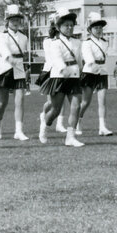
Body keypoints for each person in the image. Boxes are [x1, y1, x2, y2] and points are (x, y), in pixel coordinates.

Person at [37, 8, 84, 147]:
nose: (69, 28)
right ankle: (45, 126)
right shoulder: (54, 43)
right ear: (58, 27)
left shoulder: (77, 42)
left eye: (71, 25)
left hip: (74, 76)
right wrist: (64, 70)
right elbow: (56, 60)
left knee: (76, 106)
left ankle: (70, 137)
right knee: (55, 110)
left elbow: (80, 60)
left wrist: (81, 71)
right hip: (59, 77)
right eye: (66, 25)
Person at [0, 4, 30, 141]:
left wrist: (19, 61)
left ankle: (18, 130)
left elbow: (23, 53)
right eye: (12, 19)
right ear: (7, 20)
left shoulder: (24, 37)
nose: (15, 22)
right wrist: (10, 58)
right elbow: (3, 49)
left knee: (20, 100)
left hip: (19, 70)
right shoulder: (1, 35)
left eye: (18, 19)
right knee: (3, 102)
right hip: (5, 69)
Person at [78, 11, 113, 136]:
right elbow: (89, 60)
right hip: (90, 72)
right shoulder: (86, 43)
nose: (98, 30)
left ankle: (102, 127)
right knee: (86, 102)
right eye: (95, 28)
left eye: (100, 28)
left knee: (102, 101)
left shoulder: (105, 42)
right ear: (90, 29)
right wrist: (93, 65)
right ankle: (78, 121)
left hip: (102, 72)